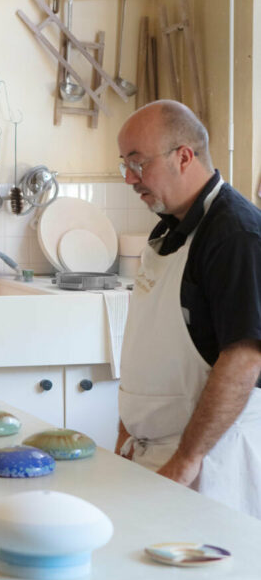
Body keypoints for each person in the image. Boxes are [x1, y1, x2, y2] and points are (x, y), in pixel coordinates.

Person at [115, 99, 261, 510]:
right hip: (155, 456)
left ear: (183, 157)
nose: (129, 178)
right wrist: (125, 432)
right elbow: (147, 349)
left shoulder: (235, 235)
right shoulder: (168, 231)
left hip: (207, 463)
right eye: (124, 165)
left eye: (138, 163)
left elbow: (244, 360)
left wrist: (186, 461)